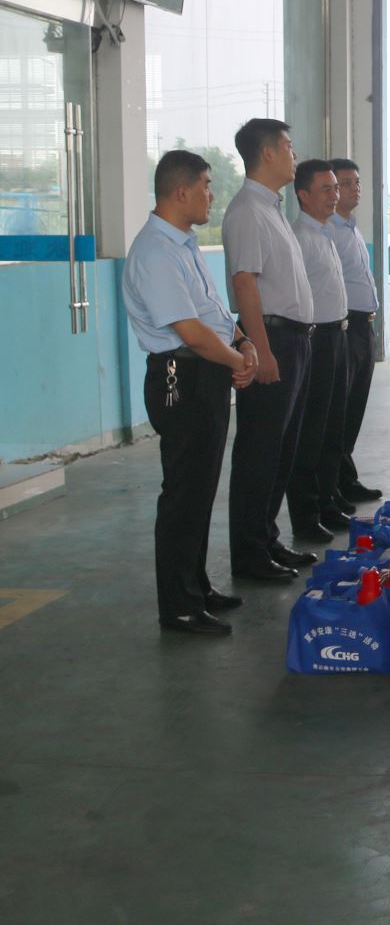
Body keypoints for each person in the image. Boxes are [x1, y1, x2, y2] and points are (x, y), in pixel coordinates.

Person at [123, 151, 259, 635]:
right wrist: (238, 361)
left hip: (206, 372)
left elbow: (212, 313)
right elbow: (190, 331)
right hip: (181, 378)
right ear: (180, 191)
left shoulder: (183, 245)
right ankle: (178, 606)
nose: (211, 195)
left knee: (200, 489)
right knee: (184, 492)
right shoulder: (155, 252)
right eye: (205, 185)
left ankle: (196, 588)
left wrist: (242, 341)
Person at [223, 118, 316, 583]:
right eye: (289, 147)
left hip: (293, 339)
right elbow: (245, 284)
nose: (294, 155)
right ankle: (249, 554)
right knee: (259, 450)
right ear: (268, 154)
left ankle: (266, 538)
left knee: (282, 449)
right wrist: (261, 350)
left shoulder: (271, 208)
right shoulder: (247, 211)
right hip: (271, 339)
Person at [285, 160, 352, 545]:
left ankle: (328, 500)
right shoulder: (300, 237)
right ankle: (306, 515)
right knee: (311, 431)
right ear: (303, 195)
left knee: (332, 427)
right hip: (315, 339)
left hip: (337, 336)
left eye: (335, 188)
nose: (334, 195)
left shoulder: (325, 234)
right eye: (326, 189)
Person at [328, 158, 384, 504]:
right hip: (345, 326)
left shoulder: (350, 227)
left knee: (354, 409)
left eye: (357, 182)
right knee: (339, 410)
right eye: (346, 183)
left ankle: (345, 478)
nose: (354, 189)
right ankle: (332, 485)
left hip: (364, 326)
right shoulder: (328, 231)